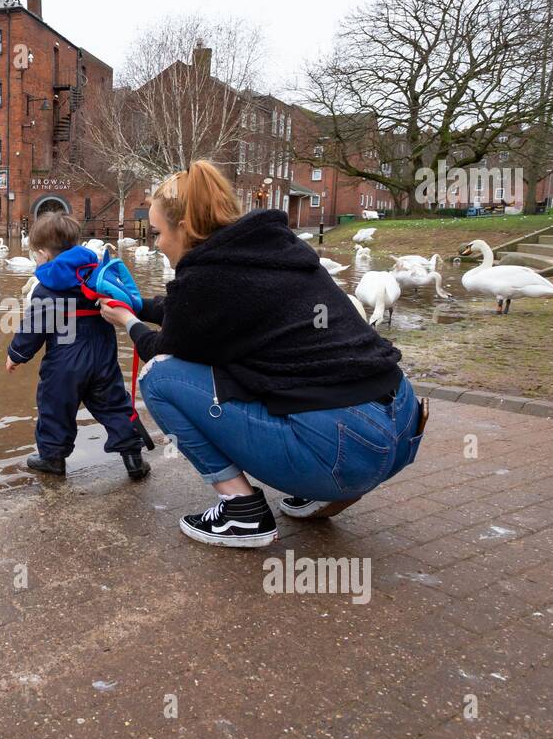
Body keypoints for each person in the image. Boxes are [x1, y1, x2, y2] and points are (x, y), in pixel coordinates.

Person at [98, 161, 426, 549]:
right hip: (402, 424)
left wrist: (126, 320)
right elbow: (197, 313)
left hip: (346, 449)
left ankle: (243, 512)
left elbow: (163, 345)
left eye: (157, 232)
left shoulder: (207, 276)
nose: (156, 243)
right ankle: (329, 489)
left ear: (183, 227)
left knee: (160, 377)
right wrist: (140, 305)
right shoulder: (272, 248)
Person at [6, 211, 149, 480]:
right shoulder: (97, 277)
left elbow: (34, 327)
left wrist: (16, 354)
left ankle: (52, 458)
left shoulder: (48, 286)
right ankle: (133, 458)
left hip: (65, 360)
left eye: (36, 255)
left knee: (55, 406)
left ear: (43, 254)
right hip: (103, 355)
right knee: (114, 404)